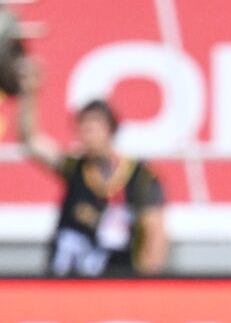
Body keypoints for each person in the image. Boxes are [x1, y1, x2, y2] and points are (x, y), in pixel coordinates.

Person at [17, 60, 167, 277]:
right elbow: (31, 141)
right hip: (64, 281)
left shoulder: (140, 177)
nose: (88, 135)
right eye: (83, 128)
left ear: (111, 130)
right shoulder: (75, 168)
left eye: (94, 127)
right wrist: (29, 93)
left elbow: (155, 236)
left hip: (113, 284)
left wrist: (145, 287)